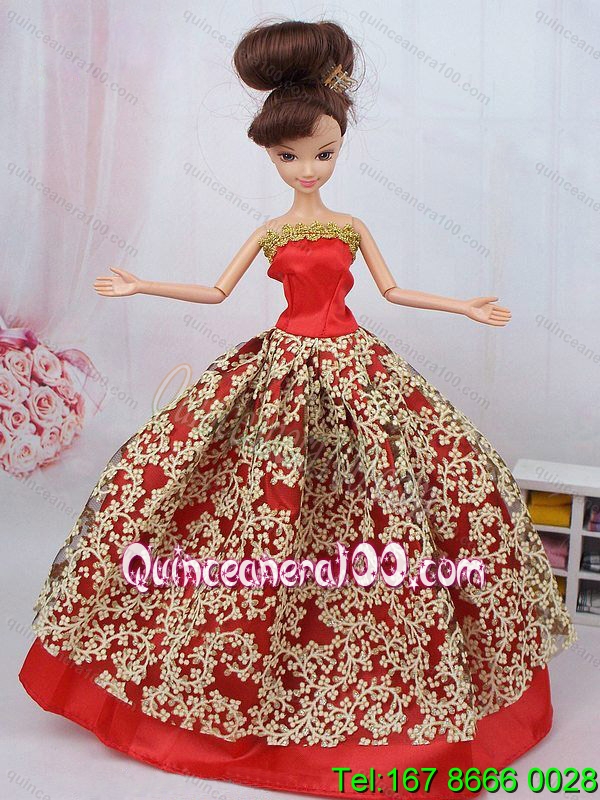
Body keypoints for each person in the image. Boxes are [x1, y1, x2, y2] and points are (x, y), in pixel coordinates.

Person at [19, 18, 576, 800]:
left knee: (399, 492)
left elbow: (391, 290)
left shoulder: (349, 226)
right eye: (289, 156)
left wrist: (464, 306)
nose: (307, 169)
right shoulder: (271, 231)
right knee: (238, 499)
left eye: (322, 154)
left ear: (339, 148)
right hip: (280, 368)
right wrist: (141, 284)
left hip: (355, 363)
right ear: (271, 155)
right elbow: (215, 291)